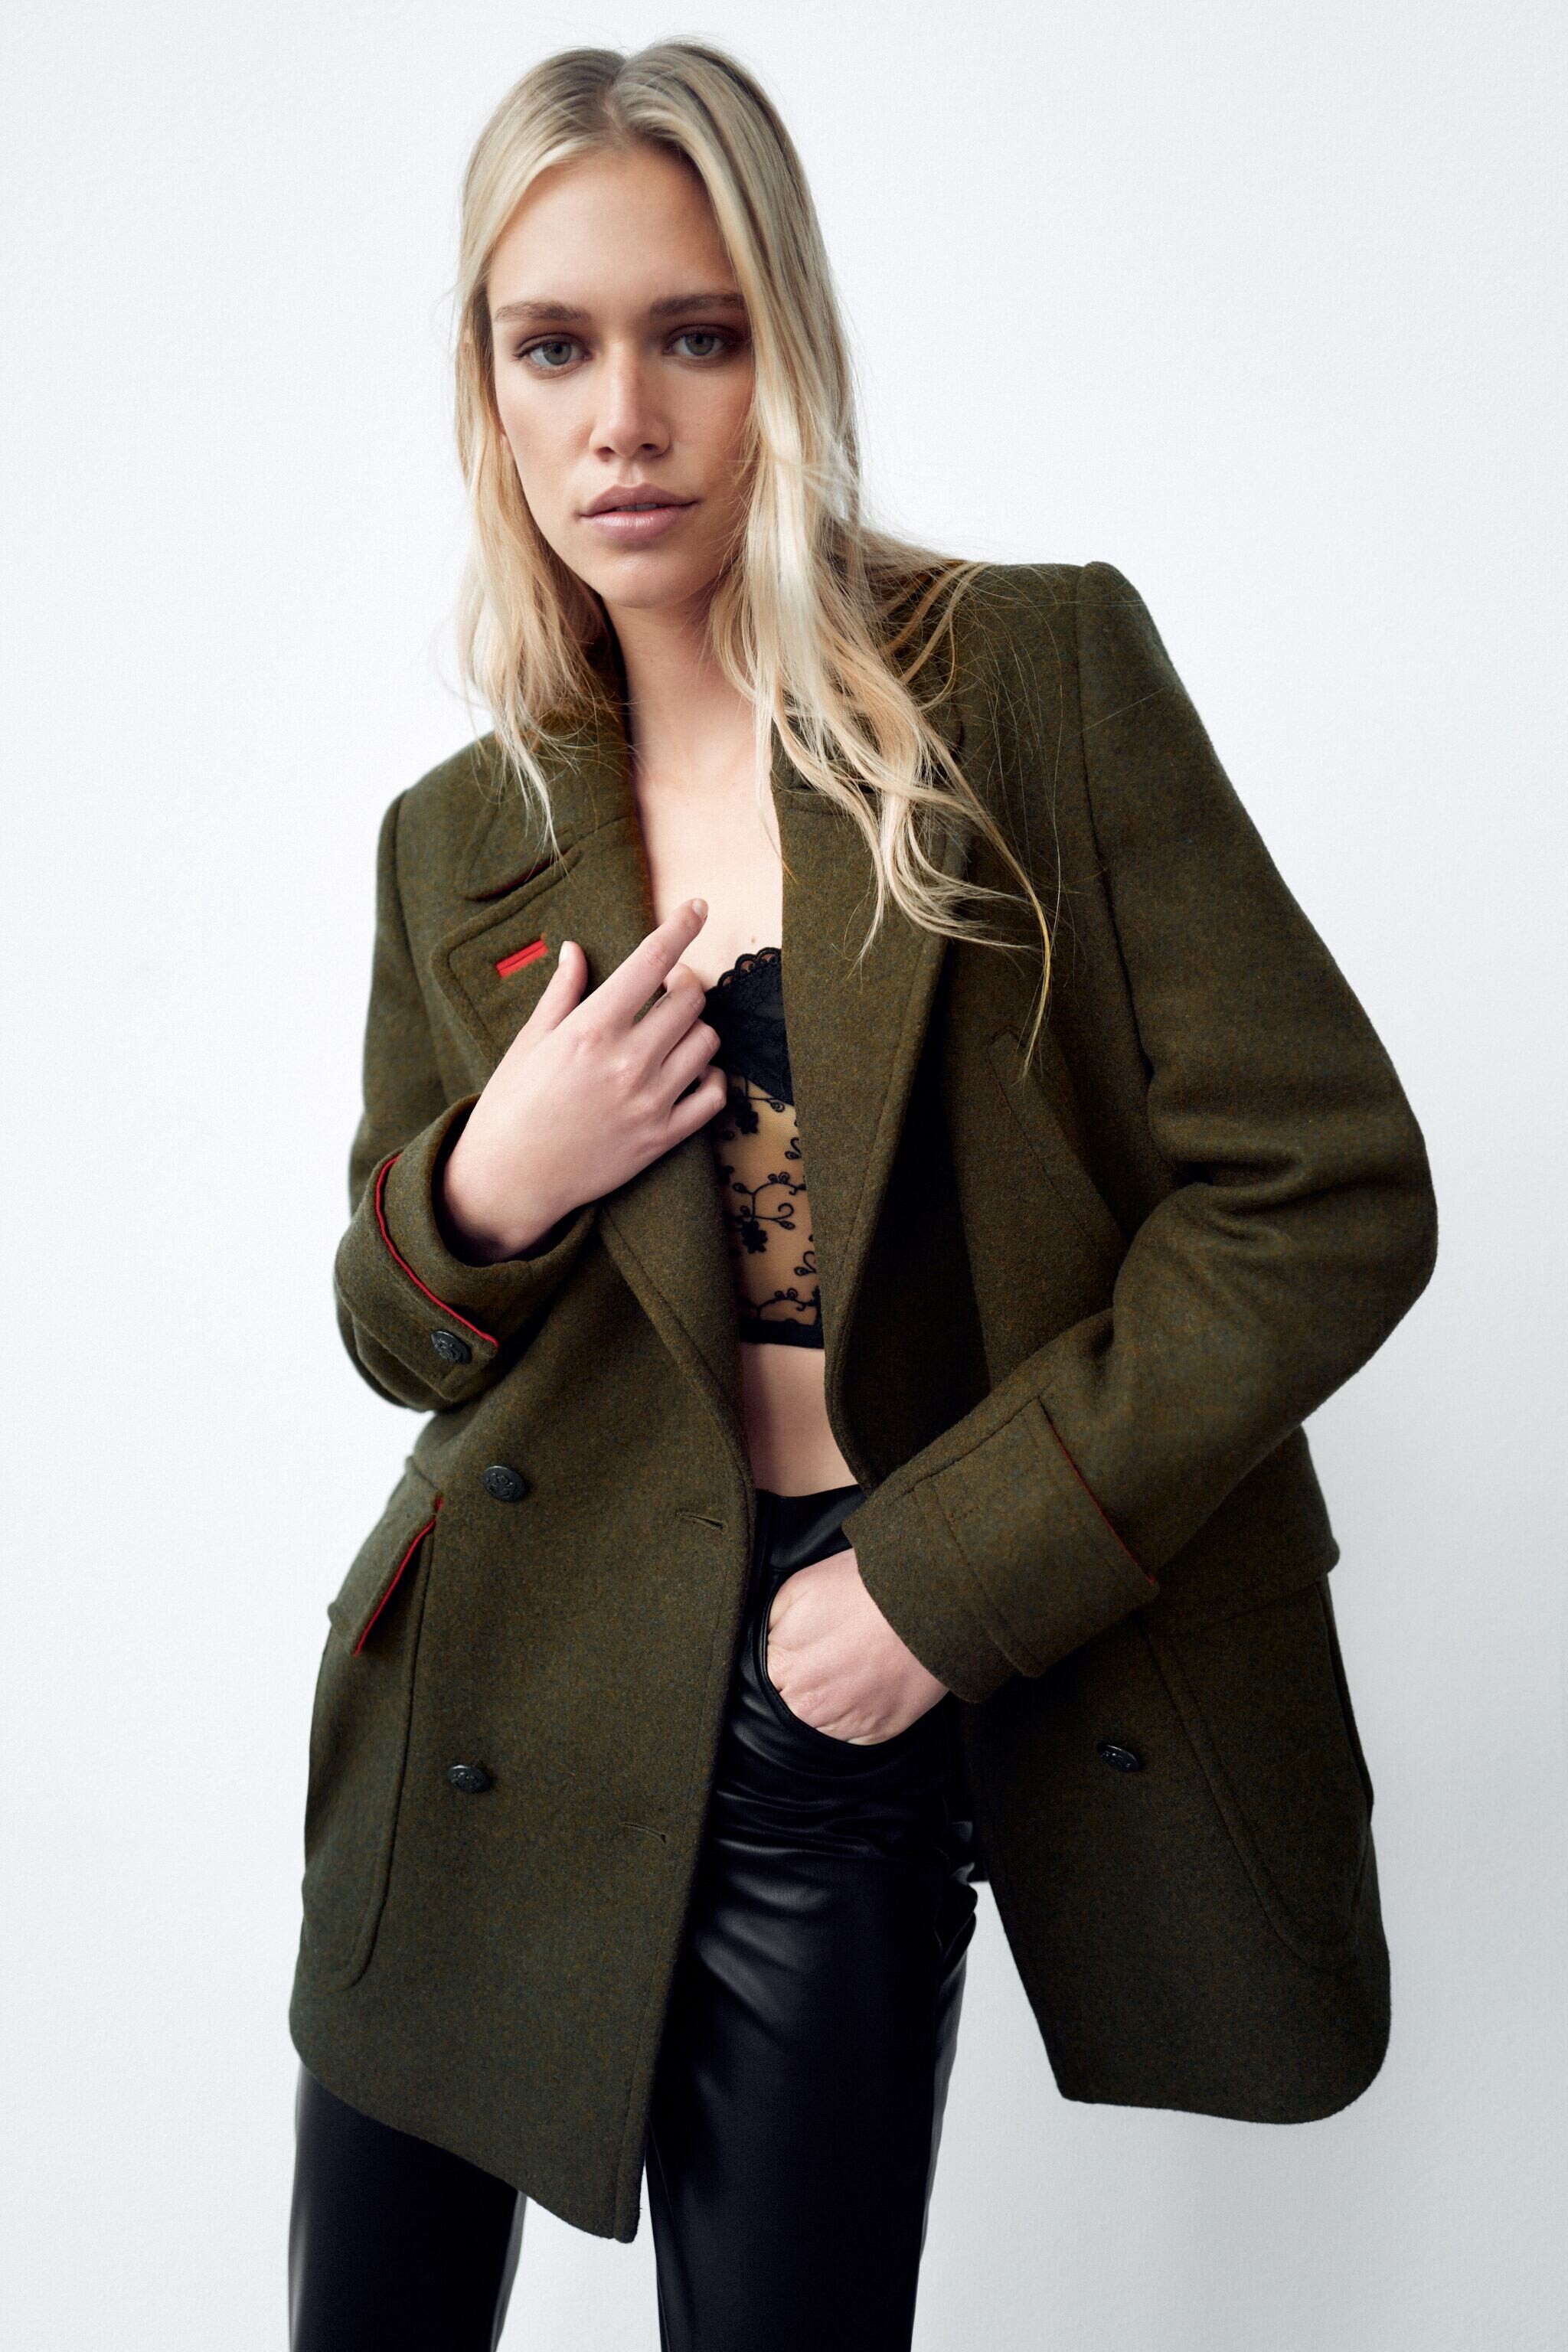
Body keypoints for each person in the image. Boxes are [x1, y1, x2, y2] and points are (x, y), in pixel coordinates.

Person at [286, 38, 1438, 2352]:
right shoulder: (462, 833)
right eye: (553, 347)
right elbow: (395, 1335)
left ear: (785, 356)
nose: (625, 420)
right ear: (488, 393)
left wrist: (935, 1580)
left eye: (693, 336)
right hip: (493, 1692)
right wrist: (493, 1179)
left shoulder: (1027, 682)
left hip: (849, 1682)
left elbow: (1322, 1194)